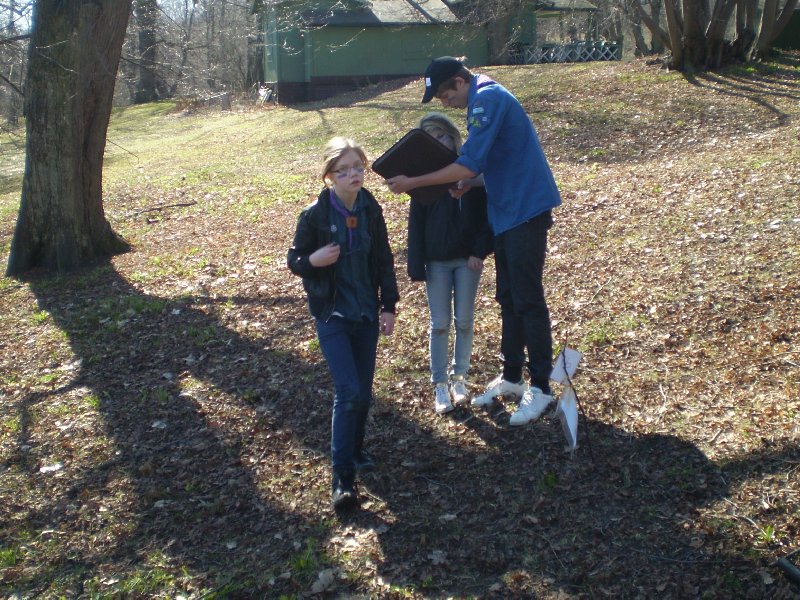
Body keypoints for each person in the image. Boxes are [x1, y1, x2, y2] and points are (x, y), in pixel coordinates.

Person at [385, 56, 561, 426]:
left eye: (445, 94)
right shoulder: (482, 97)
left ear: (459, 81)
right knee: (509, 298)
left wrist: (414, 182)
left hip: (525, 209)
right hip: (507, 212)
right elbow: (489, 165)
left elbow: (468, 162)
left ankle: (542, 386)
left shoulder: (486, 99)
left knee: (528, 300)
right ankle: (512, 377)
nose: (445, 102)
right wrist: (470, 182)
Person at [287, 137, 399, 510]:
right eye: (344, 170)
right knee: (348, 390)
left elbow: (383, 259)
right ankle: (342, 479)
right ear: (329, 176)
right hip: (332, 314)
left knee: (363, 392)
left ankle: (356, 450)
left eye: (358, 167)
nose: (353, 175)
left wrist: (389, 305)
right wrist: (313, 260)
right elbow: (294, 260)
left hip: (365, 314)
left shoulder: (370, 208)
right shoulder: (315, 215)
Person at [407, 112, 493, 415]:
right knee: (440, 323)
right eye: (430, 138)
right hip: (436, 262)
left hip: (467, 260)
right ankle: (440, 383)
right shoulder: (422, 178)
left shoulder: (468, 170)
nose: (438, 142)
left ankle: (460, 379)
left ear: (452, 136)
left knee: (465, 321)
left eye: (441, 135)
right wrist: (416, 264)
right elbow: (416, 224)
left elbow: (485, 215)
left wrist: (479, 251)